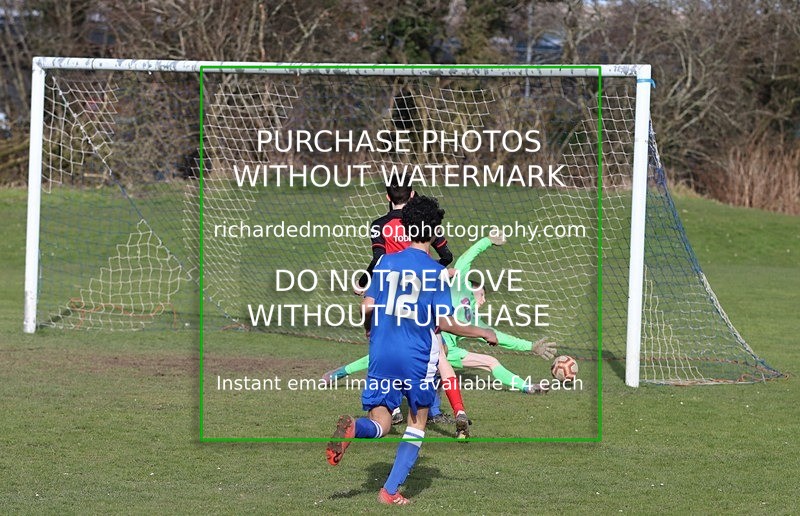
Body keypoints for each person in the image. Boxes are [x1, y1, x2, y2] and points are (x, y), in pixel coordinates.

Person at [326, 195, 497, 505]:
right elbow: (445, 323)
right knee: (416, 424)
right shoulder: (435, 272)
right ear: (433, 232)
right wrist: (482, 331)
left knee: (381, 422)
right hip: (415, 356)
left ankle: (354, 428)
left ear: (404, 228)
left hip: (381, 352)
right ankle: (389, 492)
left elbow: (368, 305)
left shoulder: (386, 262)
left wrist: (370, 328)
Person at [441, 231, 557, 394]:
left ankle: (528, 387)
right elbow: (466, 258)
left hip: (448, 350)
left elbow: (499, 337)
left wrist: (530, 346)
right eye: (482, 294)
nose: (484, 300)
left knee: (490, 361)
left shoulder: (473, 319)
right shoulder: (460, 285)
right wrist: (487, 241)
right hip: (433, 343)